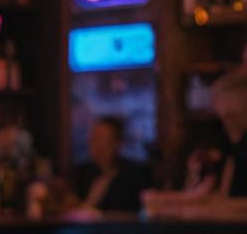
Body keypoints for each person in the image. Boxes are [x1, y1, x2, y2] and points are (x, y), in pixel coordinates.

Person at [143, 67, 247, 220]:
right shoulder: (229, 149)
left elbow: (233, 205)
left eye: (230, 115)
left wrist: (182, 209)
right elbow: (213, 196)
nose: (224, 117)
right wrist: (166, 202)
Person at [68, 116, 153, 214]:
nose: (93, 143)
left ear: (117, 143)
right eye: (92, 137)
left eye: (100, 138)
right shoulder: (78, 173)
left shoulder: (137, 173)